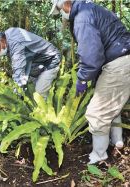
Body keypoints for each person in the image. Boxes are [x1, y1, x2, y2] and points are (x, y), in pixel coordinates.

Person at [49, 0, 130, 164]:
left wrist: (83, 79)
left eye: (59, 9)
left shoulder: (81, 17)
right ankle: (117, 141)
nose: (62, 15)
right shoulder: (89, 7)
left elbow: (91, 56)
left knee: (97, 112)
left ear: (65, 4)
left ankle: (99, 157)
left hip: (119, 63)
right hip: (123, 57)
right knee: (112, 106)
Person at [0, 27, 61, 99]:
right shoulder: (9, 34)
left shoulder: (16, 44)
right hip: (36, 63)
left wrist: (16, 98)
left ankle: (48, 112)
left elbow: (19, 73)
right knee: (31, 92)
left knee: (39, 95)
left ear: (1, 41)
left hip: (50, 60)